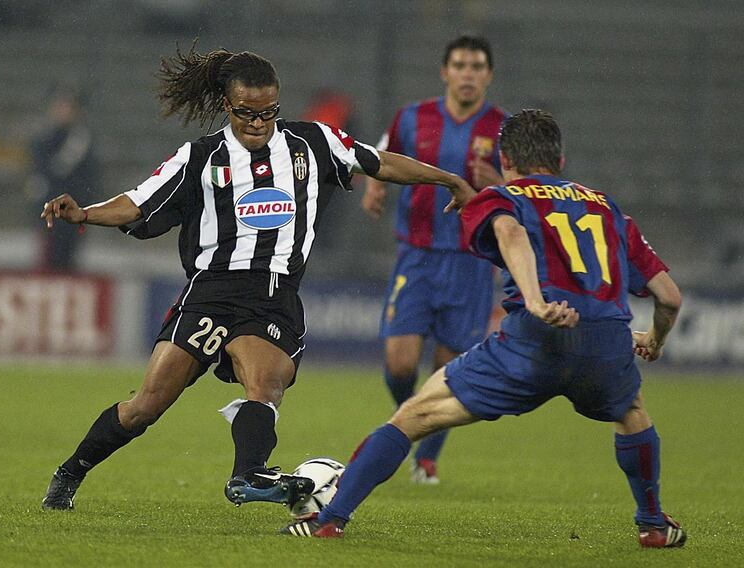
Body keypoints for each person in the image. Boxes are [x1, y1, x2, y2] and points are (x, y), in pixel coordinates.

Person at [39, 46, 477, 512]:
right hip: (209, 292)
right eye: (246, 113)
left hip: (271, 296)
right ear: (227, 106)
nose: (258, 122)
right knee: (147, 404)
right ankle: (71, 472)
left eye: (268, 112)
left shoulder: (315, 142)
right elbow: (137, 202)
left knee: (265, 383)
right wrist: (85, 212)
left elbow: (379, 162)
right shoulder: (201, 157)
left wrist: (448, 179)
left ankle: (246, 476)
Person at [281, 109, 687, 549]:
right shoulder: (608, 208)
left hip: (534, 339)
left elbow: (511, 235)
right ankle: (652, 524)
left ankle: (331, 519)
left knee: (413, 416)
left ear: (506, 157)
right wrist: (654, 340)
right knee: (632, 413)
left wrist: (534, 301)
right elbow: (669, 297)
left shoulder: (504, 197)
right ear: (561, 157)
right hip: (607, 342)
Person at [360, 36, 506, 483]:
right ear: (445, 71)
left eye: (477, 66)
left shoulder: (503, 128)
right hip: (418, 256)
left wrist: (497, 182)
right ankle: (408, 416)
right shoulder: (412, 118)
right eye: (460, 65)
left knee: (448, 367)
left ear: (488, 75)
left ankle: (427, 456)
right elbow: (381, 155)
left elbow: (528, 191)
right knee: (400, 362)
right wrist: (375, 185)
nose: (468, 73)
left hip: (471, 262)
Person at [25, 85, 99, 272]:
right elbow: (40, 173)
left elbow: (89, 177)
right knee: (48, 258)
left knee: (68, 259)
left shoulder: (82, 140)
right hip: (49, 212)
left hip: (73, 211)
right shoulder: (44, 138)